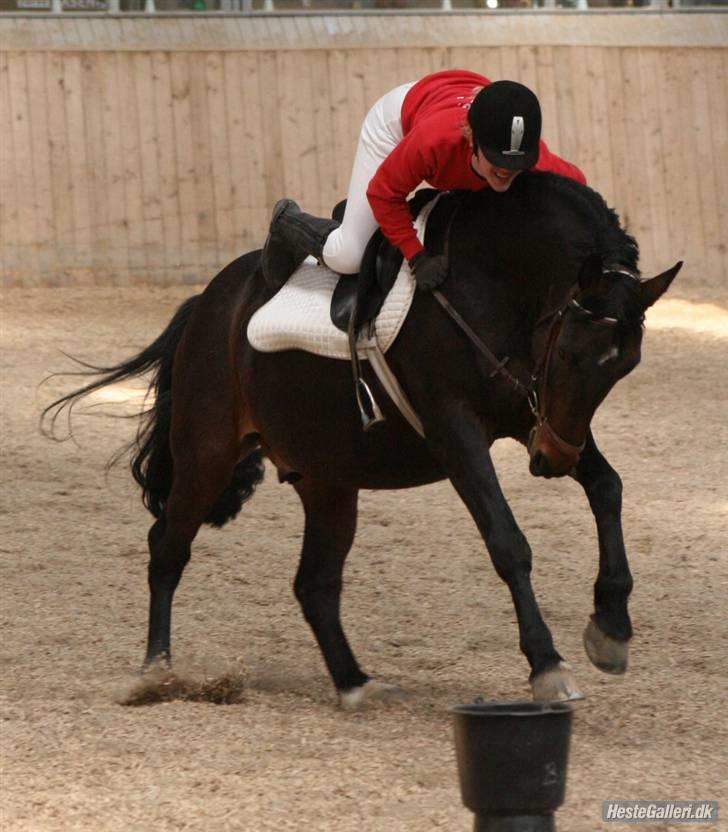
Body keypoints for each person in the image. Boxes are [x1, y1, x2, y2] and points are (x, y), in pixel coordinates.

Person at [261, 69, 586, 292]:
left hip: (468, 106)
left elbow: (578, 187)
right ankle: (289, 222)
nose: (506, 171)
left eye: (517, 163)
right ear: (471, 138)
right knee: (349, 256)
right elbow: (383, 193)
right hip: (394, 120)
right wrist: (416, 257)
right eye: (497, 160)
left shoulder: (529, 154)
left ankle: (354, 214)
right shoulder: (434, 142)